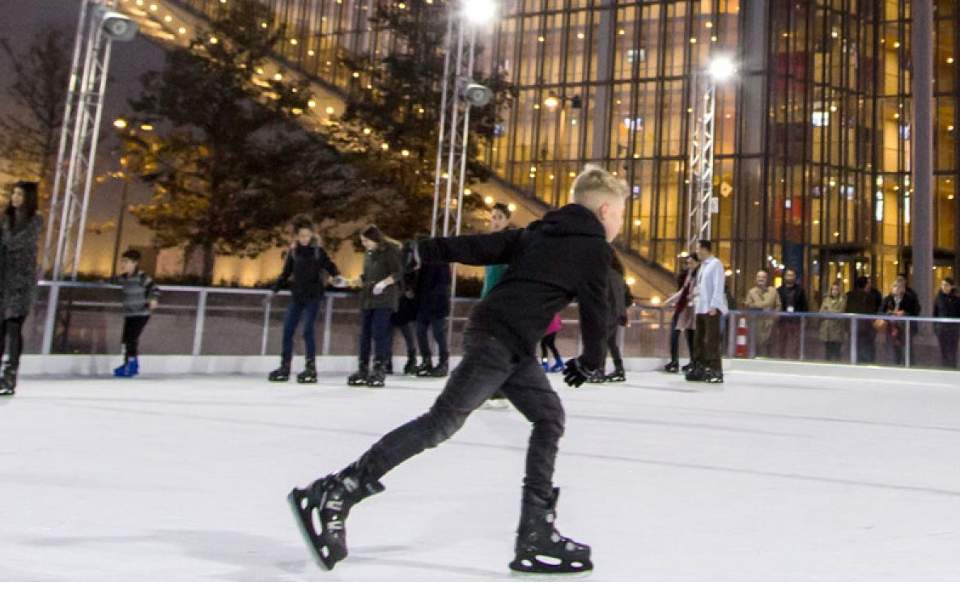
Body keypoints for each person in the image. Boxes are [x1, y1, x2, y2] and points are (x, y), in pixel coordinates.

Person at [288, 165, 625, 574]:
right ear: (605, 210)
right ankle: (337, 491)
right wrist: (591, 363)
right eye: (621, 215)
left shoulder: (540, 232)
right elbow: (597, 311)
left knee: (549, 418)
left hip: (507, 341)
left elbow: (483, 247)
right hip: (499, 341)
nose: (620, 224)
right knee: (440, 424)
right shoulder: (593, 248)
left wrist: (426, 250)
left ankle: (535, 530)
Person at [267, 216, 343, 383]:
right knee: (287, 330)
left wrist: (337, 276)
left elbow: (330, 266)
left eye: (307, 236)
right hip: (297, 297)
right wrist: (274, 290)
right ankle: (285, 366)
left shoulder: (318, 252)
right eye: (301, 236)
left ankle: (310, 367)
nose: (304, 239)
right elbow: (285, 274)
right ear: (297, 236)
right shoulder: (293, 253)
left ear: (312, 236)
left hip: (313, 297)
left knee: (307, 331)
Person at [346, 225, 403, 388]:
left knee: (379, 333)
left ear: (374, 238)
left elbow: (398, 273)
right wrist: (354, 281)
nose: (364, 244)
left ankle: (379, 368)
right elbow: (368, 275)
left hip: (384, 299)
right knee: (364, 334)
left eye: (366, 240)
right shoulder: (369, 253)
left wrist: (384, 283)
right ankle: (363, 368)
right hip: (368, 299)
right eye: (362, 241)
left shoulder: (389, 251)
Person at [0, 182, 42, 396]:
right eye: (13, 193)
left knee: (13, 328)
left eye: (20, 193)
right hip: (2, 281)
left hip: (21, 284)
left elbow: (19, 244)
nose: (15, 197)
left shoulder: (35, 220)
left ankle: (9, 375)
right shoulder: (5, 219)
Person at [481, 202, 513, 408]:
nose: (495, 221)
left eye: (499, 217)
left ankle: (499, 391)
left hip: (501, 302)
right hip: (488, 300)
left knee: (498, 348)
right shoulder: (490, 243)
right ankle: (494, 390)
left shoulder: (509, 244)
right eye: (493, 217)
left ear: (507, 220)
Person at [112, 249, 160, 378]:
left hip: (141, 313)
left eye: (126, 262)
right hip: (129, 313)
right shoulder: (123, 278)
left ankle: (132, 364)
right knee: (126, 339)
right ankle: (129, 363)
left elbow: (154, 288)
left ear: (134, 263)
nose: (123, 264)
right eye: (122, 261)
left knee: (131, 338)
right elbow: (113, 282)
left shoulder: (142, 276)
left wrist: (153, 299)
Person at [686, 240, 727, 383]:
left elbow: (718, 285)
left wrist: (714, 305)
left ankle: (716, 370)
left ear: (705, 249)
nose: (696, 252)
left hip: (711, 309)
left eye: (698, 249)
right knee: (699, 339)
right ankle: (700, 367)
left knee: (711, 340)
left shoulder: (716, 264)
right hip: (700, 308)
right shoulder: (703, 266)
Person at [413, 251, 452, 377]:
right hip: (423, 305)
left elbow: (445, 283)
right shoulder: (422, 264)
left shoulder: (441, 262)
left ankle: (443, 362)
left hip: (437, 305)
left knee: (438, 333)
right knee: (420, 332)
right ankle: (426, 360)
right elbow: (419, 285)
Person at [663, 254, 699, 373]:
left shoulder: (699, 275)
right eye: (687, 263)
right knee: (677, 333)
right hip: (683, 307)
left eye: (690, 263)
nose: (688, 266)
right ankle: (676, 361)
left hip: (691, 309)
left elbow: (695, 291)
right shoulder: (689, 275)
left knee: (690, 335)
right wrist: (669, 300)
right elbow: (683, 291)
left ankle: (693, 362)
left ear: (697, 263)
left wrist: (692, 296)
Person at [599, 254, 631, 383]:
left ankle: (599, 371)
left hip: (610, 313)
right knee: (611, 343)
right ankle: (619, 369)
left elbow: (609, 297)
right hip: (616, 314)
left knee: (602, 342)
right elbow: (626, 298)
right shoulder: (618, 276)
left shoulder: (608, 275)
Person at [880, 280, 921, 365]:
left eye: (899, 286)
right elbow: (880, 312)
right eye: (894, 286)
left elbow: (916, 311)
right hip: (891, 330)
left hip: (905, 329)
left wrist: (904, 313)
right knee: (892, 351)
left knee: (906, 350)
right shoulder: (887, 299)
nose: (896, 289)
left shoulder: (910, 299)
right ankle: (893, 365)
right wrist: (889, 314)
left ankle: (908, 365)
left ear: (903, 289)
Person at [743, 270, 780, 357]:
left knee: (770, 350)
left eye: (763, 277)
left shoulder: (773, 291)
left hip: (770, 325)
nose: (761, 279)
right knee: (756, 349)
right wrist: (761, 306)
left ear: (767, 279)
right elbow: (747, 305)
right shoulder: (751, 292)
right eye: (759, 277)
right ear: (756, 279)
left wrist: (774, 317)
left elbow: (778, 306)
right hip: (756, 325)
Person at [845, 276, 882, 364]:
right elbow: (871, 313)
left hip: (853, 328)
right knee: (866, 354)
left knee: (855, 351)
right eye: (868, 283)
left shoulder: (849, 295)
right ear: (865, 285)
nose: (870, 285)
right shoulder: (869, 297)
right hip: (865, 330)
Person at [776, 268, 809, 359]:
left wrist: (804, 320)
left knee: (796, 343)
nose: (790, 277)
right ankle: (781, 360)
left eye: (792, 275)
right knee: (782, 342)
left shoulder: (800, 290)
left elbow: (804, 306)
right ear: (784, 276)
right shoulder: (779, 290)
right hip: (783, 321)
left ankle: (795, 360)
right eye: (788, 275)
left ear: (795, 277)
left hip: (796, 322)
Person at [933, 278, 960, 368]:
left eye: (946, 285)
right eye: (943, 285)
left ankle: (953, 366)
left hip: (953, 329)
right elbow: (935, 313)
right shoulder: (938, 298)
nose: (944, 287)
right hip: (941, 329)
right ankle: (944, 366)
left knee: (953, 349)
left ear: (951, 287)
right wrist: (936, 327)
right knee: (943, 349)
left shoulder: (956, 299)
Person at [818, 281, 846, 361]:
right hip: (826, 330)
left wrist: (829, 311)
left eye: (836, 289)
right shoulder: (826, 299)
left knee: (837, 352)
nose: (834, 291)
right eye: (833, 289)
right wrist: (830, 312)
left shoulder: (842, 299)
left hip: (837, 330)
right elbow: (821, 312)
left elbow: (840, 312)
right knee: (827, 352)